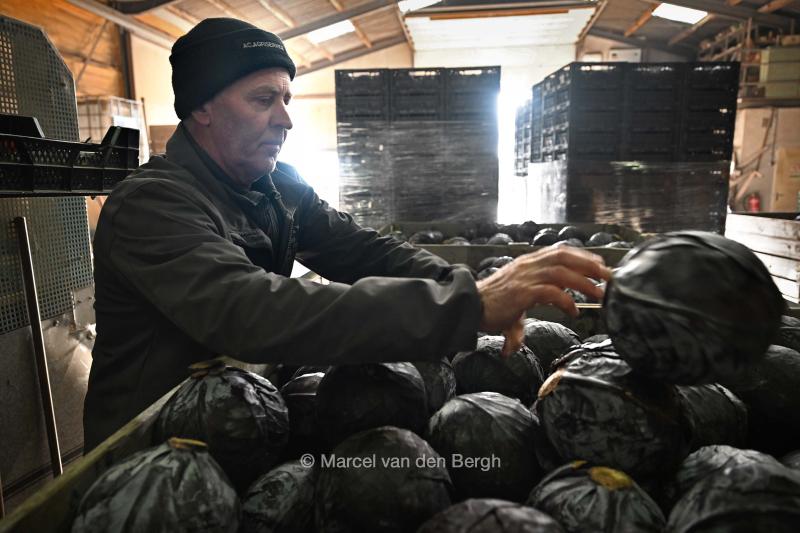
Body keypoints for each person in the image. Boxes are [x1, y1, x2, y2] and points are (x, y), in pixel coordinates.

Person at [83, 18, 611, 450]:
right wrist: (463, 307)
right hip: (145, 457)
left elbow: (361, 251)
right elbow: (253, 310)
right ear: (201, 107)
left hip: (238, 430)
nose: (285, 120)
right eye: (263, 100)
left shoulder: (278, 186)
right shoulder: (151, 206)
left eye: (286, 99)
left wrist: (465, 284)